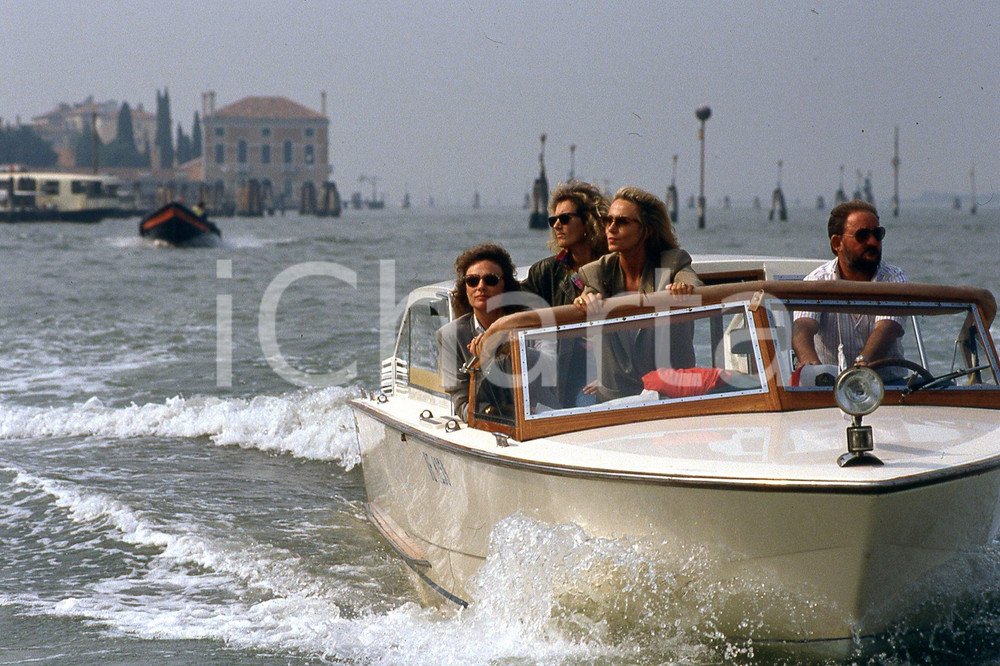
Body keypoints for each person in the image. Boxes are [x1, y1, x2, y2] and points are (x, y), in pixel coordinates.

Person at [573, 187, 703, 400]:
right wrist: (585, 299)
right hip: (616, 401)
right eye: (608, 220)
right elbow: (590, 292)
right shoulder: (598, 271)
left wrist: (682, 287)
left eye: (622, 222)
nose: (611, 228)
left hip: (672, 395)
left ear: (647, 230)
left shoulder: (671, 263)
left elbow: (693, 284)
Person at [792, 200, 907, 371]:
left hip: (888, 383)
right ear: (837, 243)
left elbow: (888, 328)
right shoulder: (817, 281)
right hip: (829, 383)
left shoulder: (894, 278)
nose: (873, 242)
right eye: (862, 235)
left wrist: (862, 364)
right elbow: (803, 325)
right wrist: (811, 365)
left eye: (877, 234)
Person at [437, 243, 522, 420]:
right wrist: (482, 362)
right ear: (465, 287)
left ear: (505, 286)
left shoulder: (526, 324)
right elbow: (462, 405)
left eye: (490, 280)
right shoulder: (449, 336)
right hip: (488, 424)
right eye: (472, 281)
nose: (481, 286)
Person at [521, 181, 609, 307]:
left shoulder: (612, 266)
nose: (556, 225)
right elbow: (516, 306)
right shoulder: (544, 272)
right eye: (553, 220)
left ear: (588, 221)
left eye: (564, 219)